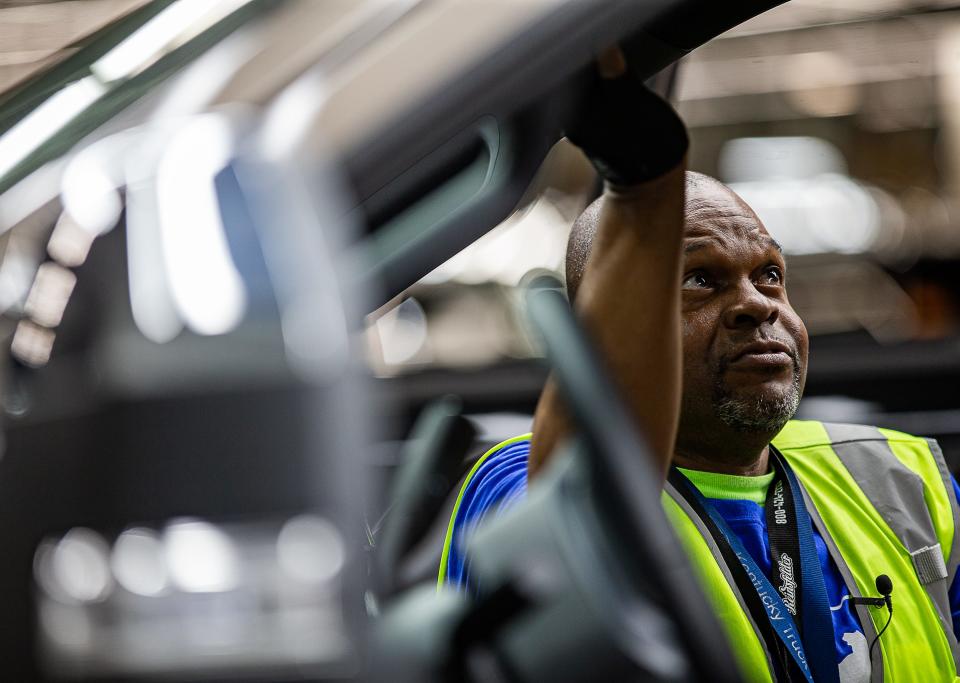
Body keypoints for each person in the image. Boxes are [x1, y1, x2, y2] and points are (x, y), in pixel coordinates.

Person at [436, 48, 960, 683]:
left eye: (770, 275)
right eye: (700, 280)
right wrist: (642, 197)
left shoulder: (900, 475)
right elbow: (570, 502)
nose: (754, 306)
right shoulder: (517, 480)